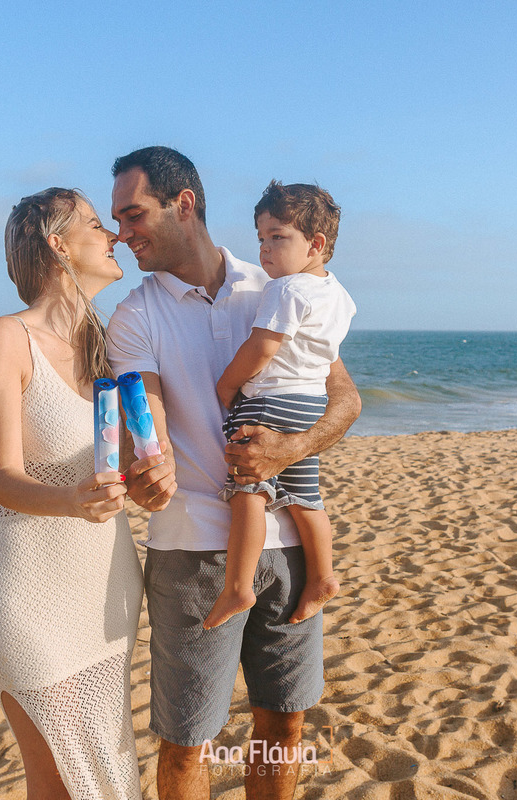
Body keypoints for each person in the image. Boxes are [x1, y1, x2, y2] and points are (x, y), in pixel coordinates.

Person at [106, 147, 361, 800]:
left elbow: (346, 400)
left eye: (133, 214)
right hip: (193, 555)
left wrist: (289, 448)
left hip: (291, 545)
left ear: (183, 204)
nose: (121, 233)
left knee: (284, 725)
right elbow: (149, 418)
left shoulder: (280, 283)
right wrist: (148, 467)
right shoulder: (135, 315)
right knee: (188, 742)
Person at [0, 188, 146, 800]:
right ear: (58, 244)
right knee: (64, 782)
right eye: (100, 225)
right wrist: (73, 498)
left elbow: (127, 465)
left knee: (111, 776)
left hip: (107, 593)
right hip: (30, 596)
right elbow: (4, 479)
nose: (116, 236)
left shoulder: (111, 345)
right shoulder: (4, 337)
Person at [205, 181, 356, 631]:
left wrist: (227, 385)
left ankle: (238, 585)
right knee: (306, 496)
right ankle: (323, 576)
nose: (265, 249)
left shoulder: (286, 290)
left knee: (247, 488)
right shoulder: (340, 296)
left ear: (317, 244)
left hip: (270, 401)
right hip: (310, 406)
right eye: (261, 238)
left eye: (277, 237)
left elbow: (262, 348)